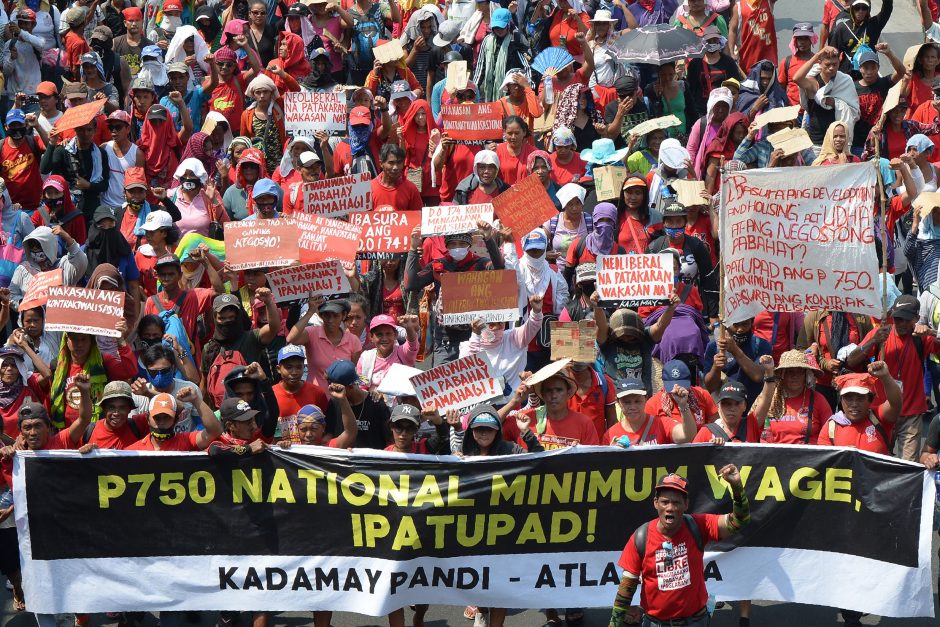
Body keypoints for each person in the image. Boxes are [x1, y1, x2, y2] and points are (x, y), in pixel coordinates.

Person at [607, 468, 751, 627]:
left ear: (686, 505)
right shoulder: (640, 537)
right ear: (656, 503)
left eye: (676, 502)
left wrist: (737, 486)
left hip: (696, 621)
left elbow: (740, 520)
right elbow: (626, 587)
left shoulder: (699, 525)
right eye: (664, 502)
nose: (670, 507)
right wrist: (614, 624)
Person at [845, 295, 938, 461]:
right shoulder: (881, 334)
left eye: (906, 319)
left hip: (911, 414)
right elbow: (851, 361)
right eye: (897, 318)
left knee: (907, 468)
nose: (901, 323)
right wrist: (873, 341)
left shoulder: (921, 338)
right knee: (876, 463)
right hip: (881, 413)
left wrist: (932, 332)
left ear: (916, 318)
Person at [287, 297, 362, 390]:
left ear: (344, 315)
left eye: (335, 316)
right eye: (327, 315)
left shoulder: (353, 341)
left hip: (342, 398)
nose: (330, 320)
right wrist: (310, 312)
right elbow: (291, 339)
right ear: (321, 316)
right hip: (315, 396)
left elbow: (351, 372)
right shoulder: (312, 333)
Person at [765, 349, 832, 444]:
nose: (794, 376)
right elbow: (757, 431)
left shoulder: (818, 400)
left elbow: (830, 434)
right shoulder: (770, 399)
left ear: (806, 375)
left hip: (810, 457)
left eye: (799, 371)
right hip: (776, 456)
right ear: (782, 375)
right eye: (790, 371)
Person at [604, 377, 697, 446]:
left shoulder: (661, 424)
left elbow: (688, 436)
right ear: (618, 402)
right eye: (627, 402)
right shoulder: (610, 435)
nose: (633, 407)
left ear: (646, 399)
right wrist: (612, 453)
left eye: (637, 401)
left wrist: (683, 405)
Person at [125, 389, 222, 451]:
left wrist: (196, 400)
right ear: (147, 419)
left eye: (166, 417)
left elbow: (214, 431)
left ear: (176, 420)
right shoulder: (133, 451)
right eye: (156, 417)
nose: (161, 422)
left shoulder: (187, 441)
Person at [827, 0, 893, 75]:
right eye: (857, 8)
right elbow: (832, 54)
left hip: (869, 73)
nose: (860, 11)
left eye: (864, 8)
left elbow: (887, 9)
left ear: (868, 10)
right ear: (852, 9)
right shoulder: (842, 28)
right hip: (848, 73)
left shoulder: (874, 24)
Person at [371, 144, 424, 212]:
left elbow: (418, 217)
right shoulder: (370, 189)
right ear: (381, 164)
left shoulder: (411, 189)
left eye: (399, 163)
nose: (395, 167)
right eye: (391, 163)